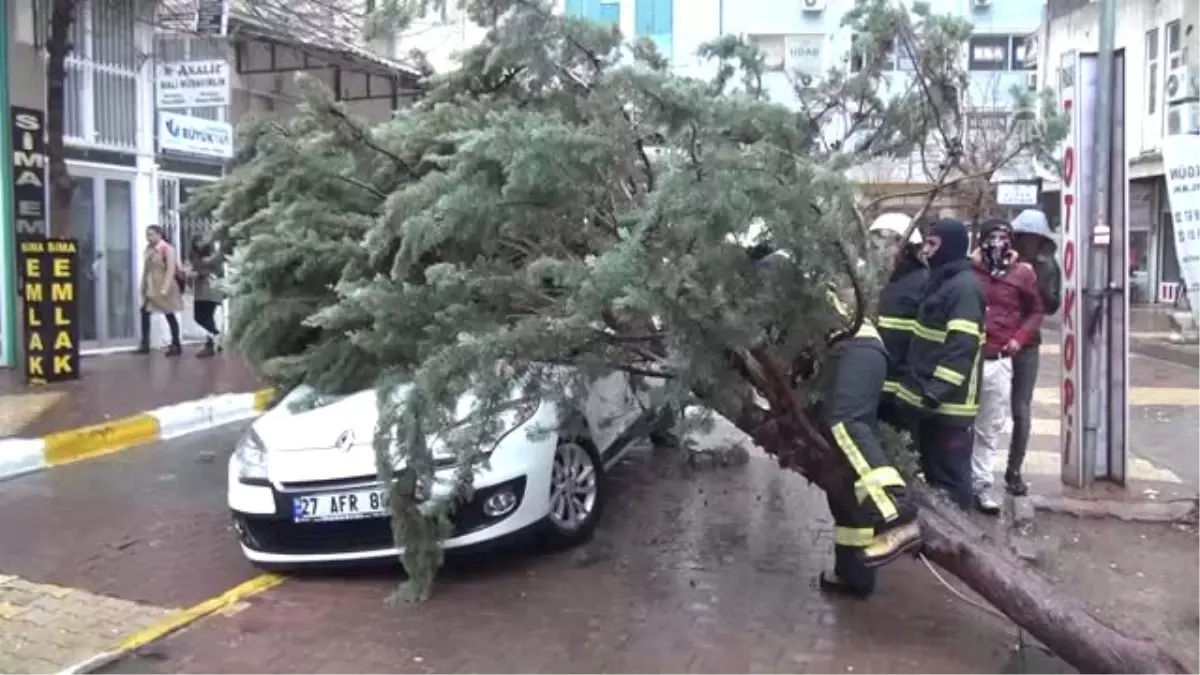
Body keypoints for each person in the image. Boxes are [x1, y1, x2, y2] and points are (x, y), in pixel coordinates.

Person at [817, 288, 922, 600]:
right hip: (849, 352)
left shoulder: (765, 280)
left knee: (845, 425)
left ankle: (897, 513)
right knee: (844, 467)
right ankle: (854, 573)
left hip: (854, 348)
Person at [892, 218, 985, 510]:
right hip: (929, 402)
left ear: (950, 246)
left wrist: (937, 390)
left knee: (951, 481)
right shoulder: (942, 282)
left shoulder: (964, 288)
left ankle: (962, 542)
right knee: (933, 476)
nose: (926, 251)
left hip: (949, 406)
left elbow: (962, 345)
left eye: (933, 244)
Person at [969, 219, 1044, 514]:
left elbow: (1037, 310)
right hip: (968, 361)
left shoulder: (1022, 274)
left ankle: (982, 485)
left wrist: (1019, 338)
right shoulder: (969, 271)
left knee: (990, 426)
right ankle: (958, 482)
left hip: (999, 360)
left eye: (1003, 238)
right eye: (991, 238)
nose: (997, 244)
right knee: (960, 425)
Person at [1008, 209, 1061, 496]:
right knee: (986, 411)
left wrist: (1036, 282)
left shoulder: (1048, 267)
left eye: (1033, 238)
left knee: (1021, 410)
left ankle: (1013, 471)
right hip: (998, 342)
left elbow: (1052, 305)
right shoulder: (1002, 260)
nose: (1027, 244)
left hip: (1027, 344)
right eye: (1023, 238)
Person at [869, 212, 927, 432]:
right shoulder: (877, 282)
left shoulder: (923, 283)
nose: (878, 252)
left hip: (904, 394)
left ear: (905, 247)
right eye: (874, 246)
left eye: (882, 245)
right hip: (874, 388)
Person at [137, 225, 183, 356]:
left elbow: (171, 269)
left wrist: (165, 288)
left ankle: (176, 344)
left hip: (163, 287)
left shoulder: (166, 249)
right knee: (145, 312)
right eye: (147, 235)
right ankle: (145, 343)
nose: (148, 237)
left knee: (169, 314)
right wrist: (143, 286)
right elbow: (147, 270)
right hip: (151, 287)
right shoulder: (149, 249)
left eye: (151, 234)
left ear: (159, 234)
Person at [188, 235, 225, 359]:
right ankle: (216, 340)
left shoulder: (214, 256)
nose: (198, 245)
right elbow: (195, 269)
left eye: (201, 242)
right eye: (196, 243)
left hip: (211, 289)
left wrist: (198, 274)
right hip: (200, 290)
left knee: (205, 317)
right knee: (200, 317)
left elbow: (219, 272)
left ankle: (212, 343)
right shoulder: (195, 256)